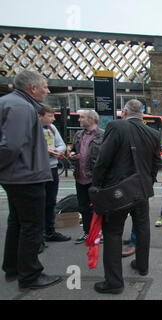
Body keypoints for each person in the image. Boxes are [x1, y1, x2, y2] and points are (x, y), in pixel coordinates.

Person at [0, 70, 62, 290]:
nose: (48, 90)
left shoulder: (12, 103)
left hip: (18, 175)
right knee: (31, 226)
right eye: (44, 86)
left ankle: (13, 268)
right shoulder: (21, 107)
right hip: (26, 176)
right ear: (32, 88)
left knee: (17, 222)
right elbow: (11, 146)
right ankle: (30, 275)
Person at [91, 99, 161, 294]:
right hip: (142, 190)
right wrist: (149, 181)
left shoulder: (116, 126)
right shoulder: (154, 134)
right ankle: (142, 265)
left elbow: (103, 161)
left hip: (118, 192)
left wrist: (96, 187)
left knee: (113, 233)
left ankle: (114, 282)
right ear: (142, 114)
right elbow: (156, 164)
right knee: (142, 228)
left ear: (124, 112)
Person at [38, 104, 71, 244]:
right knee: (38, 202)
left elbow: (62, 145)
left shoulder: (52, 128)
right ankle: (38, 237)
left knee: (51, 201)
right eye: (50, 116)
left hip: (51, 168)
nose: (52, 119)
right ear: (40, 116)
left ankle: (49, 231)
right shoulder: (33, 128)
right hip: (38, 169)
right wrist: (46, 150)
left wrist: (56, 150)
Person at [70, 110, 104, 244]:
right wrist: (72, 154)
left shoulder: (103, 135)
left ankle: (98, 233)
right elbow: (73, 149)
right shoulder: (78, 135)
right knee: (83, 207)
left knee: (98, 208)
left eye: (82, 117)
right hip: (80, 177)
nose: (79, 120)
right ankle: (87, 232)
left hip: (95, 179)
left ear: (91, 120)